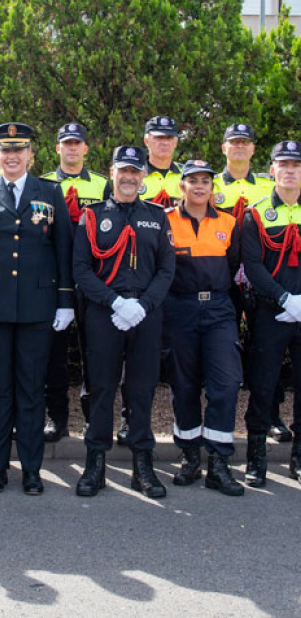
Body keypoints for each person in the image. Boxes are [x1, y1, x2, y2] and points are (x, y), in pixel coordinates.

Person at [0, 122, 75, 495]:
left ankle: (31, 471)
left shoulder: (50, 192)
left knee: (31, 391)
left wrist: (65, 300)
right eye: (6, 150)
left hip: (37, 309)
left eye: (18, 150)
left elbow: (63, 250)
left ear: (30, 155)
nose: (11, 157)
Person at [73, 146, 175, 498]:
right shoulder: (92, 216)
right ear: (112, 172)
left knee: (141, 389)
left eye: (135, 171)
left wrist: (143, 305)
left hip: (146, 314)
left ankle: (142, 466)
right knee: (101, 388)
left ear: (143, 175)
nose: (129, 177)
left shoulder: (157, 217)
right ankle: (95, 463)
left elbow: (166, 269)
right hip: (105, 313)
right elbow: (81, 269)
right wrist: (114, 302)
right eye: (123, 170)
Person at [163, 159, 244, 496]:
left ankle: (219, 463)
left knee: (226, 384)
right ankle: (190, 457)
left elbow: (235, 268)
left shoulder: (228, 222)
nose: (199, 186)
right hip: (179, 309)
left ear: (212, 187)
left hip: (219, 310)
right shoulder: (166, 220)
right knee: (183, 386)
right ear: (182, 185)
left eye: (205, 181)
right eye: (192, 180)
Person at [212, 123, 287, 441]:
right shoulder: (210, 184)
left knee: (267, 350)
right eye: (234, 142)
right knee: (217, 350)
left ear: (254, 149)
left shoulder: (270, 186)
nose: (240, 147)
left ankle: (270, 415)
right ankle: (216, 416)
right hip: (222, 278)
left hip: (262, 280)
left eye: (245, 142)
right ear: (224, 148)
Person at [42, 123, 107, 441]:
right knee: (53, 354)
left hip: (93, 280)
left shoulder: (102, 185)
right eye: (66, 143)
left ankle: (94, 419)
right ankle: (57, 418)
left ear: (85, 148)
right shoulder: (42, 184)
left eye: (76, 143)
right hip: (54, 280)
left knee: (94, 353)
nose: (71, 148)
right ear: (58, 148)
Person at [242, 140, 301, 487]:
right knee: (263, 385)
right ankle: (256, 457)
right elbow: (253, 265)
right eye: (284, 164)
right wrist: (284, 299)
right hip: (270, 312)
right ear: (272, 170)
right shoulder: (256, 213)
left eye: (296, 165)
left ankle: (298, 456)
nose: (290, 170)